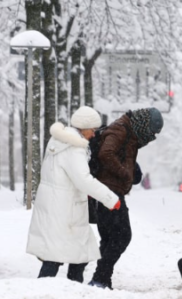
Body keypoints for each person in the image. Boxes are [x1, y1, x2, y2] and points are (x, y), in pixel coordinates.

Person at [26, 107, 120, 282]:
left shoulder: (58, 140)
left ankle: (70, 290)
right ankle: (47, 293)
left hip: (56, 206)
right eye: (92, 130)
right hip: (65, 209)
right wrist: (110, 199)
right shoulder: (74, 147)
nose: (93, 135)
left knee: (75, 254)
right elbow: (83, 180)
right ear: (84, 127)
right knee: (56, 257)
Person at [90, 107, 163, 289]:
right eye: (151, 132)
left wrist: (132, 170)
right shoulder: (120, 129)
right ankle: (100, 278)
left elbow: (119, 154)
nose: (151, 137)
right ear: (144, 125)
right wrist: (125, 174)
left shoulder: (129, 131)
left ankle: (102, 279)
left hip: (110, 191)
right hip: (108, 192)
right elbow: (106, 153)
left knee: (109, 238)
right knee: (122, 236)